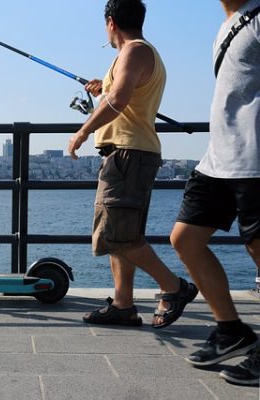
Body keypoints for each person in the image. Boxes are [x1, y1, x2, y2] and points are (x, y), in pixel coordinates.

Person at [68, 0, 198, 328]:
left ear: (111, 22)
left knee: (116, 234)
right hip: (127, 153)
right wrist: (106, 86)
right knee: (121, 232)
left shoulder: (135, 51)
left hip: (129, 153)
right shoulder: (134, 55)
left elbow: (119, 100)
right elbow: (122, 95)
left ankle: (175, 287)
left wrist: (83, 131)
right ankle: (123, 304)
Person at [170, 0, 260, 387]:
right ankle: (231, 330)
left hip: (255, 156)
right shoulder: (228, 24)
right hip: (218, 157)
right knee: (185, 239)